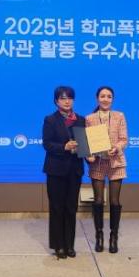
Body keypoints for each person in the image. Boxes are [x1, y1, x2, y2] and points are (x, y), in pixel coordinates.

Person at [42, 86, 86, 259]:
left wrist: (88, 152)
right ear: (56, 101)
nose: (67, 101)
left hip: (75, 170)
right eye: (63, 98)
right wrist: (64, 147)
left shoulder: (80, 120)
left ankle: (69, 245)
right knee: (57, 208)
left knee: (71, 208)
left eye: (70, 98)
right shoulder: (50, 120)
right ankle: (58, 245)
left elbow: (84, 145)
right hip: (56, 170)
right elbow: (47, 144)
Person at [86, 86, 128, 253]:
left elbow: (124, 139)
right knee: (98, 201)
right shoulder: (89, 118)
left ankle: (113, 236)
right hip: (97, 163)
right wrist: (88, 155)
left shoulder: (119, 116)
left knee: (114, 201)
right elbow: (87, 142)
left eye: (109, 96)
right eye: (102, 96)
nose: (105, 99)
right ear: (97, 98)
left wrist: (116, 148)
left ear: (112, 99)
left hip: (116, 162)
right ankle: (99, 235)